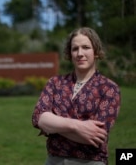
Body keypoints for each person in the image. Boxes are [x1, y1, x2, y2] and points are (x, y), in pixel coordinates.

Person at [32, 27, 121, 165]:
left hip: (90, 161)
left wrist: (54, 125)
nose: (80, 53)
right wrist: (77, 126)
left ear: (96, 51)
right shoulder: (55, 83)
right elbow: (38, 118)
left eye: (86, 47)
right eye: (75, 49)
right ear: (70, 53)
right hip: (54, 160)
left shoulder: (109, 88)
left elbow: (96, 135)